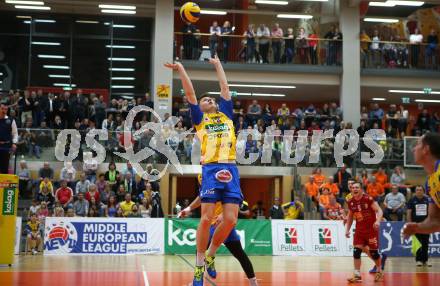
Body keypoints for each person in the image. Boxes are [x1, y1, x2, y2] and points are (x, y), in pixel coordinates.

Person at [165, 56, 242, 286]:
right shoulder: (200, 118)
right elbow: (189, 94)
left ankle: (210, 255)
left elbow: (224, 87)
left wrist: (218, 64)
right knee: (207, 217)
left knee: (230, 220)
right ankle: (198, 269)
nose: (207, 99)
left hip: (231, 168)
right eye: (204, 99)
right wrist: (180, 69)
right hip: (211, 168)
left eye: (210, 98)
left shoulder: (226, 112)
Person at [179, 177, 258, 286]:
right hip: (212, 223)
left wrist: (224, 214)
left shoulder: (226, 172)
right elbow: (202, 196)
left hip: (225, 224)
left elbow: (237, 197)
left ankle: (253, 283)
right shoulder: (202, 175)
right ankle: (198, 280)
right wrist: (189, 208)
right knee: (200, 250)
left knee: (240, 254)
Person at [345, 182, 384, 283]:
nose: (355, 189)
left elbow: (379, 210)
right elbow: (350, 217)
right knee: (356, 252)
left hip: (371, 230)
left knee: (374, 253)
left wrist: (377, 221)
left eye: (357, 187)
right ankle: (357, 275)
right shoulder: (351, 202)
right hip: (359, 231)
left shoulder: (368, 199)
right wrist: (347, 230)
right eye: (353, 188)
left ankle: (379, 270)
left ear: (361, 189)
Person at [403, 133, 440, 237]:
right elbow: (435, 221)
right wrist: (417, 227)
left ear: (426, 149)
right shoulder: (430, 182)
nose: (414, 149)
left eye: (417, 144)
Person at [407, 186, 431, 267]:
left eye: (420, 190)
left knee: (425, 243)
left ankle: (425, 260)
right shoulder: (412, 200)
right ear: (415, 191)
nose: (419, 191)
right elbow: (409, 212)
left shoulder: (428, 200)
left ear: (423, 191)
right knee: (418, 243)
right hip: (415, 225)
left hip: (426, 225)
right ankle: (418, 260)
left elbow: (431, 212)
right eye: (417, 190)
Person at [0, 103, 18, 174]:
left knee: (4, 167)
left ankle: (2, 184)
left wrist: (14, 143)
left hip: (6, 146)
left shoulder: (11, 120)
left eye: (6, 109)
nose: (4, 111)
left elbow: (15, 133)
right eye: (2, 109)